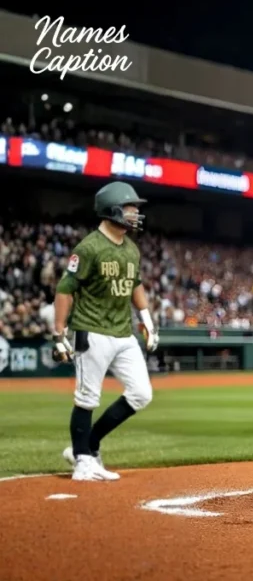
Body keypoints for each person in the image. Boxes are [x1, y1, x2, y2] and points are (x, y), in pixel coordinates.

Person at [55, 181, 159, 481]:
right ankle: (83, 460)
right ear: (112, 209)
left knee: (141, 393)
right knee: (87, 397)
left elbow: (135, 284)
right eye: (130, 207)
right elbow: (65, 289)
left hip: (123, 331)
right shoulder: (88, 247)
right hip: (92, 329)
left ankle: (90, 445)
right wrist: (59, 332)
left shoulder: (131, 248)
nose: (135, 213)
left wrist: (147, 321)